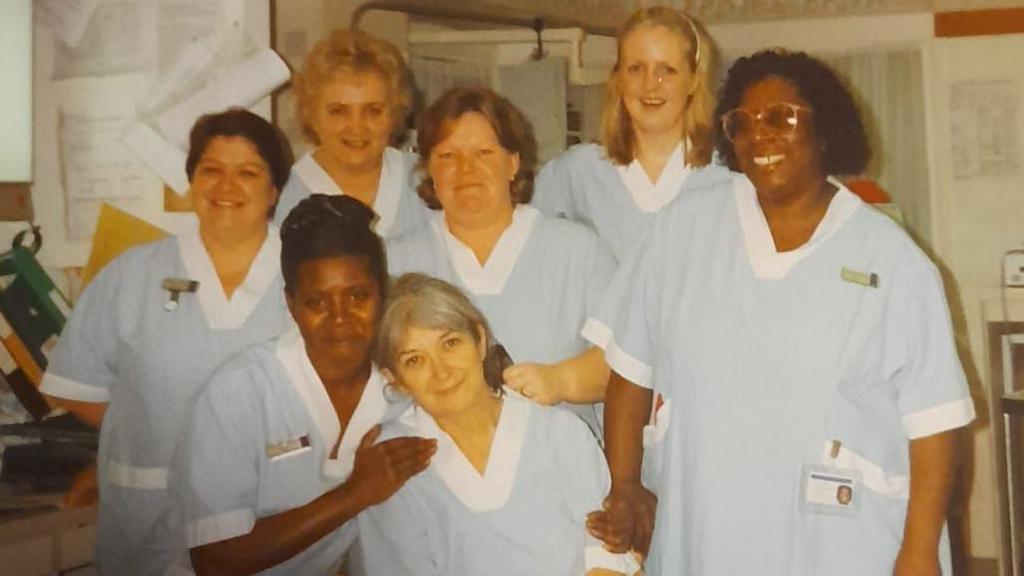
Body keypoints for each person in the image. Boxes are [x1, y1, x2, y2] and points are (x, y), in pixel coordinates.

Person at [590, 49, 975, 575]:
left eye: (781, 117)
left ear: (824, 130)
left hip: (843, 537)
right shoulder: (683, 233)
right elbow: (630, 369)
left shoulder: (891, 261)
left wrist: (919, 550)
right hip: (708, 524)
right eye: (742, 123)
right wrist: (627, 482)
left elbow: (936, 423)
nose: (760, 135)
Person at [40, 108, 294, 575]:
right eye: (211, 170)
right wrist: (156, 434)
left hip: (269, 518)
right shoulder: (132, 274)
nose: (226, 186)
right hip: (149, 522)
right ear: (192, 181)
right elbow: (73, 385)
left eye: (248, 173)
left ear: (274, 189)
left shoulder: (306, 280)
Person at [170, 195, 435, 575]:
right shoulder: (239, 392)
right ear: (291, 306)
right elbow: (214, 560)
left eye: (358, 296)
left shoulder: (403, 387)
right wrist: (355, 493)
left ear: (382, 295)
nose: (340, 318)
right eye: (317, 302)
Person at [357, 273, 639, 575]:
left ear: (479, 341)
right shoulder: (392, 465)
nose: (442, 372)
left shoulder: (559, 434)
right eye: (415, 360)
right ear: (395, 379)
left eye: (450, 343)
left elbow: (608, 561)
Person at [386, 87, 616, 433]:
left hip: (558, 472)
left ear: (513, 163)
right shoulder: (395, 262)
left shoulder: (577, 251)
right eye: (448, 156)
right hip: (436, 474)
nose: (466, 170)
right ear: (428, 168)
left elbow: (626, 364)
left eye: (483, 153)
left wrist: (561, 380)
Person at [533, 6, 726, 263]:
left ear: (693, 80)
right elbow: (535, 263)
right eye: (636, 68)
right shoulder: (576, 175)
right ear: (618, 78)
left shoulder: (726, 176)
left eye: (666, 70)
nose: (650, 84)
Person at [273, 28, 432, 237]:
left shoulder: (427, 180)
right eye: (338, 111)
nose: (356, 127)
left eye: (373, 111)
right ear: (311, 115)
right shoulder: (283, 197)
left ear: (395, 114)